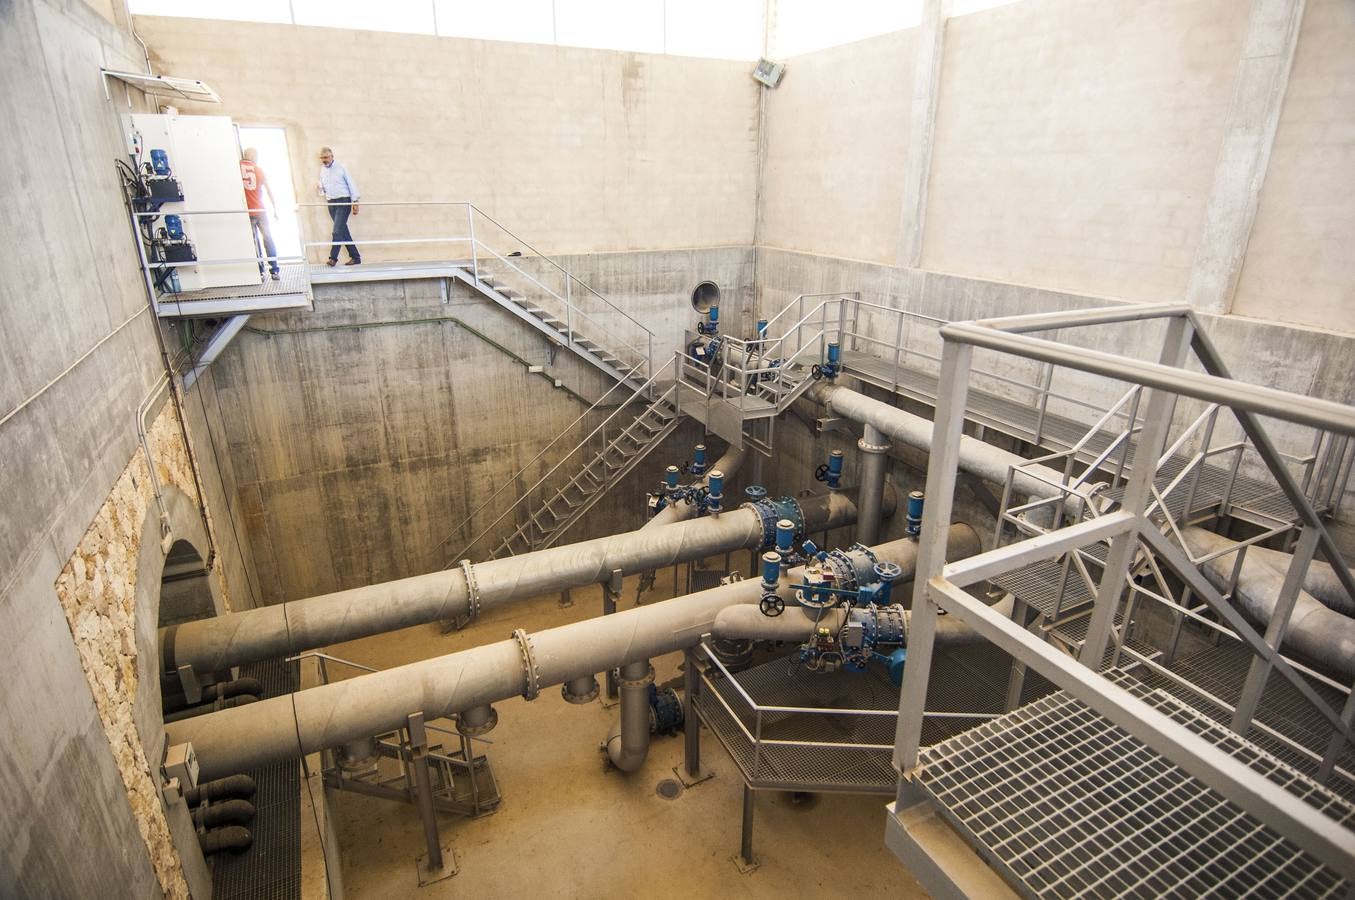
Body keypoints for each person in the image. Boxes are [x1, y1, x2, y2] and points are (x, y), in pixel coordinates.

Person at [239, 147, 281, 280]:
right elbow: (269, 191)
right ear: (254, 156)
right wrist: (275, 209)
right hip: (260, 210)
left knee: (254, 241)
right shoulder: (259, 170)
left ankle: (260, 271)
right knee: (268, 238)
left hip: (247, 211)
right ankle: (274, 269)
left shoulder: (237, 168)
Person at [316, 146, 361, 266]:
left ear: (332, 157)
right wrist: (320, 188)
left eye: (326, 157)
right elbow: (322, 188)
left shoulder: (341, 167)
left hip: (343, 201)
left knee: (336, 232)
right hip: (331, 203)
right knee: (342, 231)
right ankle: (356, 257)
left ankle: (333, 258)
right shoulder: (322, 170)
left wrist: (355, 202)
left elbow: (351, 183)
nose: (324, 160)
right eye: (322, 158)